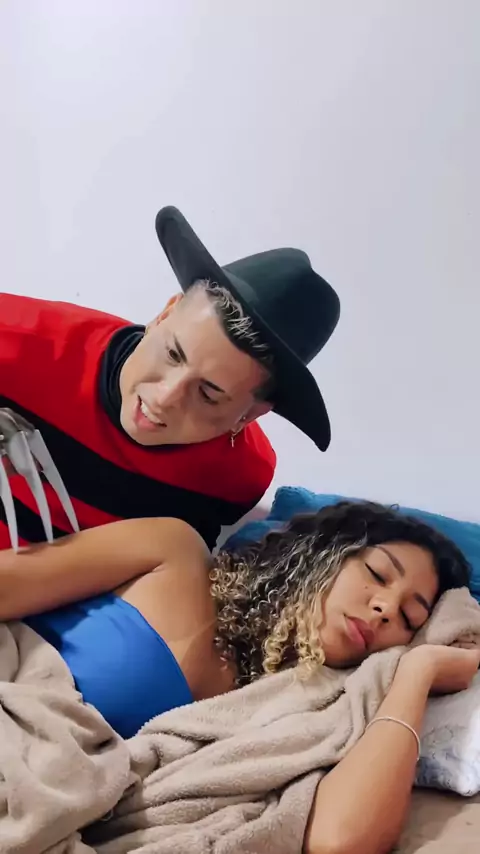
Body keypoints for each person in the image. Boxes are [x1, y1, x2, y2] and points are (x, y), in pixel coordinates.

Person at [0, 206, 340, 550]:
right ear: (163, 315)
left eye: (208, 393)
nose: (164, 397)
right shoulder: (11, 339)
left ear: (249, 415)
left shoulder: (240, 476)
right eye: (173, 354)